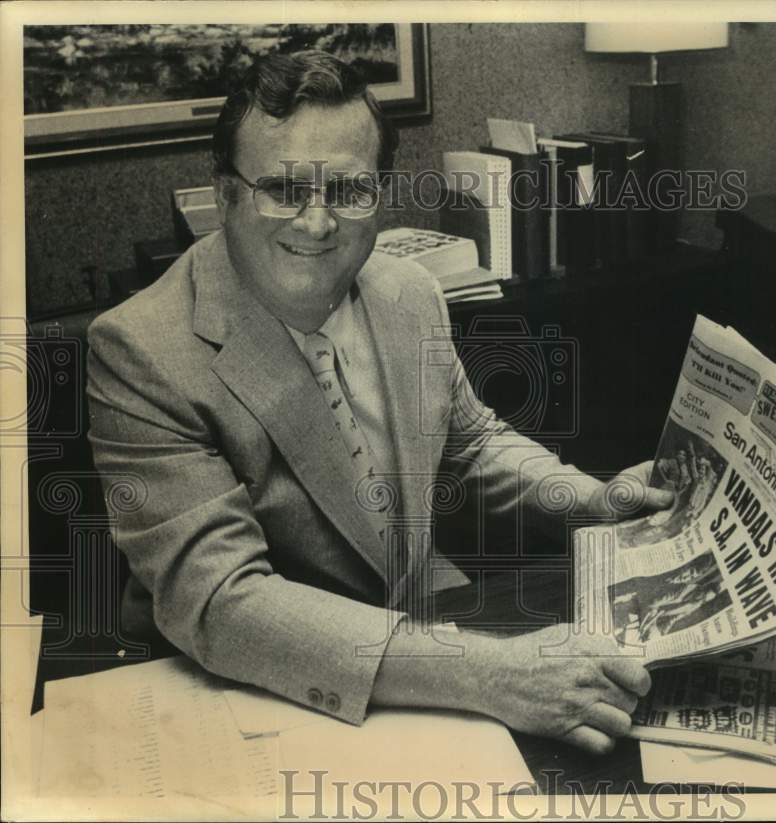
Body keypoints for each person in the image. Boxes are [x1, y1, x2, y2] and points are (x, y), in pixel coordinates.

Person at [86, 51, 674, 756]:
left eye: (349, 189)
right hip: (244, 684)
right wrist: (490, 674)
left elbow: (471, 444)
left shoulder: (409, 292)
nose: (316, 223)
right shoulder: (138, 349)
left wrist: (595, 501)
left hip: (419, 624)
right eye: (282, 187)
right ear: (225, 193)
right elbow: (224, 604)